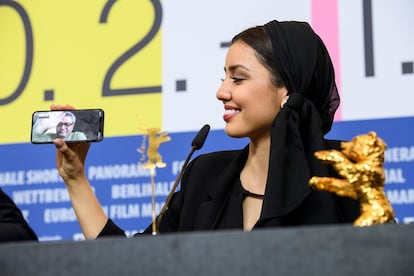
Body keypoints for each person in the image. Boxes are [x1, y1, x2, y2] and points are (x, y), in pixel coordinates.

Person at [52, 20, 360, 239]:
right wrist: (75, 178)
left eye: (237, 79)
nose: (221, 92)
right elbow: (134, 265)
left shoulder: (346, 172)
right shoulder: (204, 175)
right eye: (223, 78)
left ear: (287, 91)